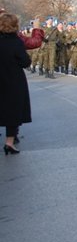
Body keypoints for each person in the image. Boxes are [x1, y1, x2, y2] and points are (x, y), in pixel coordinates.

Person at [0, 13, 33, 155]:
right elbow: (25, 62)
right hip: (13, 80)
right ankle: (9, 143)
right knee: (13, 111)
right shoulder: (16, 42)